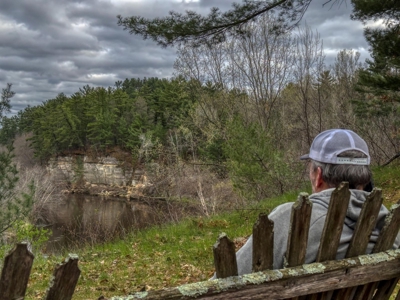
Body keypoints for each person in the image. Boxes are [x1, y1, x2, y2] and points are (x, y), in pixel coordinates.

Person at [235, 128, 399, 275]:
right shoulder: (391, 228)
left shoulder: (290, 218)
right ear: (365, 177)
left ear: (318, 175)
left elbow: (230, 278)